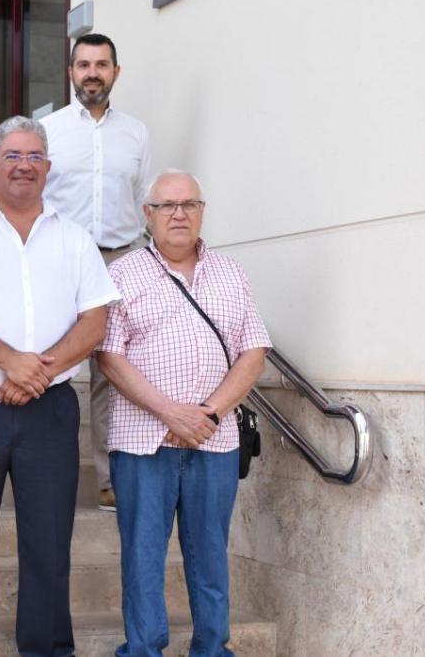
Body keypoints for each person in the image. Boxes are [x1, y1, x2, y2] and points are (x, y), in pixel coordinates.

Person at [0, 116, 120, 656]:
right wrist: (12, 361)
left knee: (49, 543)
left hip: (49, 411)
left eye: (34, 156)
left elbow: (95, 322)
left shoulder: (75, 238)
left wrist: (38, 373)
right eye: (12, 156)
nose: (24, 165)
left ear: (49, 168)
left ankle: (48, 648)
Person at [97, 170, 271, 657]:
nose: (179, 214)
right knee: (142, 558)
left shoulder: (231, 273)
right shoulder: (122, 274)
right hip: (143, 442)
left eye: (189, 204)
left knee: (211, 557)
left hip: (214, 442)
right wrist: (171, 413)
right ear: (147, 215)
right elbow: (109, 357)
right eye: (167, 206)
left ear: (202, 212)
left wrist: (209, 413)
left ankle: (213, 649)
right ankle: (144, 649)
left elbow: (253, 352)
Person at [40, 32, 153, 511]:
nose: (92, 73)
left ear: (115, 72)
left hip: (119, 260)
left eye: (101, 65)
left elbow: (144, 198)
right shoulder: (47, 130)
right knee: (52, 364)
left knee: (112, 367)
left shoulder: (137, 133)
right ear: (71, 72)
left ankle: (108, 478)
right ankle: (44, 472)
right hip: (62, 257)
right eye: (83, 64)